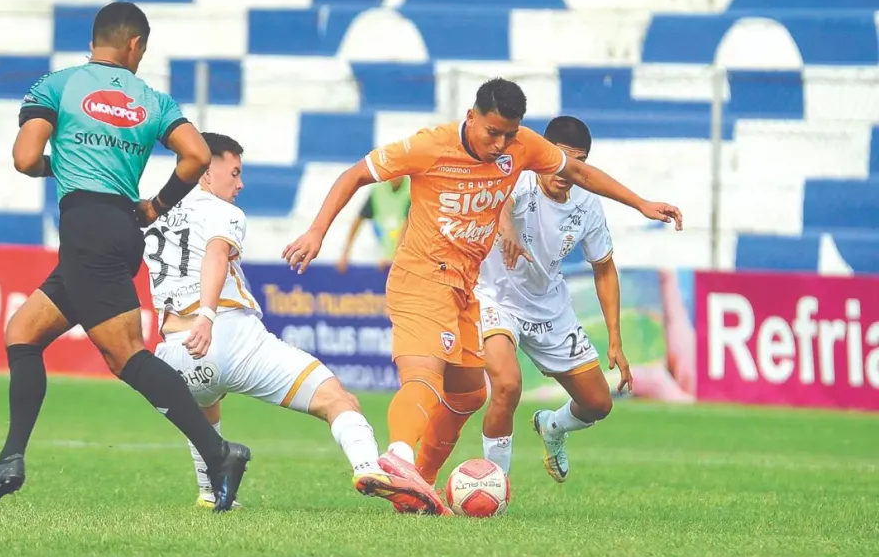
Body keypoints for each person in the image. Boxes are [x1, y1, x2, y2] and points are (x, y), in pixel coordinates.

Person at [282, 78, 683, 512]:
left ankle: (417, 486)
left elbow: (579, 173)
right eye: (493, 133)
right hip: (422, 279)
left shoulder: (522, 147)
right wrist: (317, 232)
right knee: (426, 378)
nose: (501, 145)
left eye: (509, 135)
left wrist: (641, 204)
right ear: (471, 117)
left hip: (465, 288)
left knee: (469, 394)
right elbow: (356, 174)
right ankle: (397, 457)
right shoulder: (429, 146)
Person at [0, 2, 249, 512]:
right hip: (119, 226)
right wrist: (156, 205)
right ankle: (10, 459)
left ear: (96, 40)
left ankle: (218, 452)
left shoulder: (58, 85)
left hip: (85, 230)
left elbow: (25, 159)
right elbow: (198, 155)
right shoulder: (153, 99)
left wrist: (62, 164)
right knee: (23, 333)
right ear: (135, 45)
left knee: (127, 357)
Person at [144, 132, 446, 514]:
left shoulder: (154, 215)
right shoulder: (222, 211)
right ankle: (369, 467)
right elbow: (216, 255)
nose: (240, 184)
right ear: (205, 171)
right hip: (225, 333)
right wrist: (206, 315)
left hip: (174, 352)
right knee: (337, 399)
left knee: (206, 405)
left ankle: (209, 491)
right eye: (234, 173)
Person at [475, 115, 632, 481]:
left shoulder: (587, 204)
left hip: (549, 307)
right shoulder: (518, 175)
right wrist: (507, 228)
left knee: (598, 403)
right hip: (496, 299)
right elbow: (498, 203)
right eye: (560, 157)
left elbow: (604, 268)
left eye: (578, 162)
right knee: (507, 386)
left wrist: (615, 339)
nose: (566, 170)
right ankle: (496, 485)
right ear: (544, 152)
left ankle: (553, 427)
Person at [337, 176, 410, 273]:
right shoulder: (378, 190)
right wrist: (345, 253)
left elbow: (407, 223)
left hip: (407, 255)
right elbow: (359, 220)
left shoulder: (413, 188)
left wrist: (396, 256)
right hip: (387, 255)